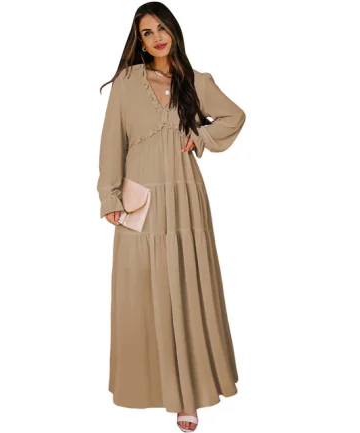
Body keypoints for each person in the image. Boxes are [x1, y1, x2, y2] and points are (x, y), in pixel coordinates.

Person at [97, 2, 246, 431]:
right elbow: (112, 142)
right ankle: (150, 388)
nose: (157, 37)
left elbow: (235, 116)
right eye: (147, 33)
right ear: (139, 42)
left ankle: (189, 397)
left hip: (185, 198)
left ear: (174, 31)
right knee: (140, 291)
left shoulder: (196, 82)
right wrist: (109, 196)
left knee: (185, 286)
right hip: (140, 199)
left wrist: (200, 136)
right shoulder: (127, 82)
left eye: (161, 28)